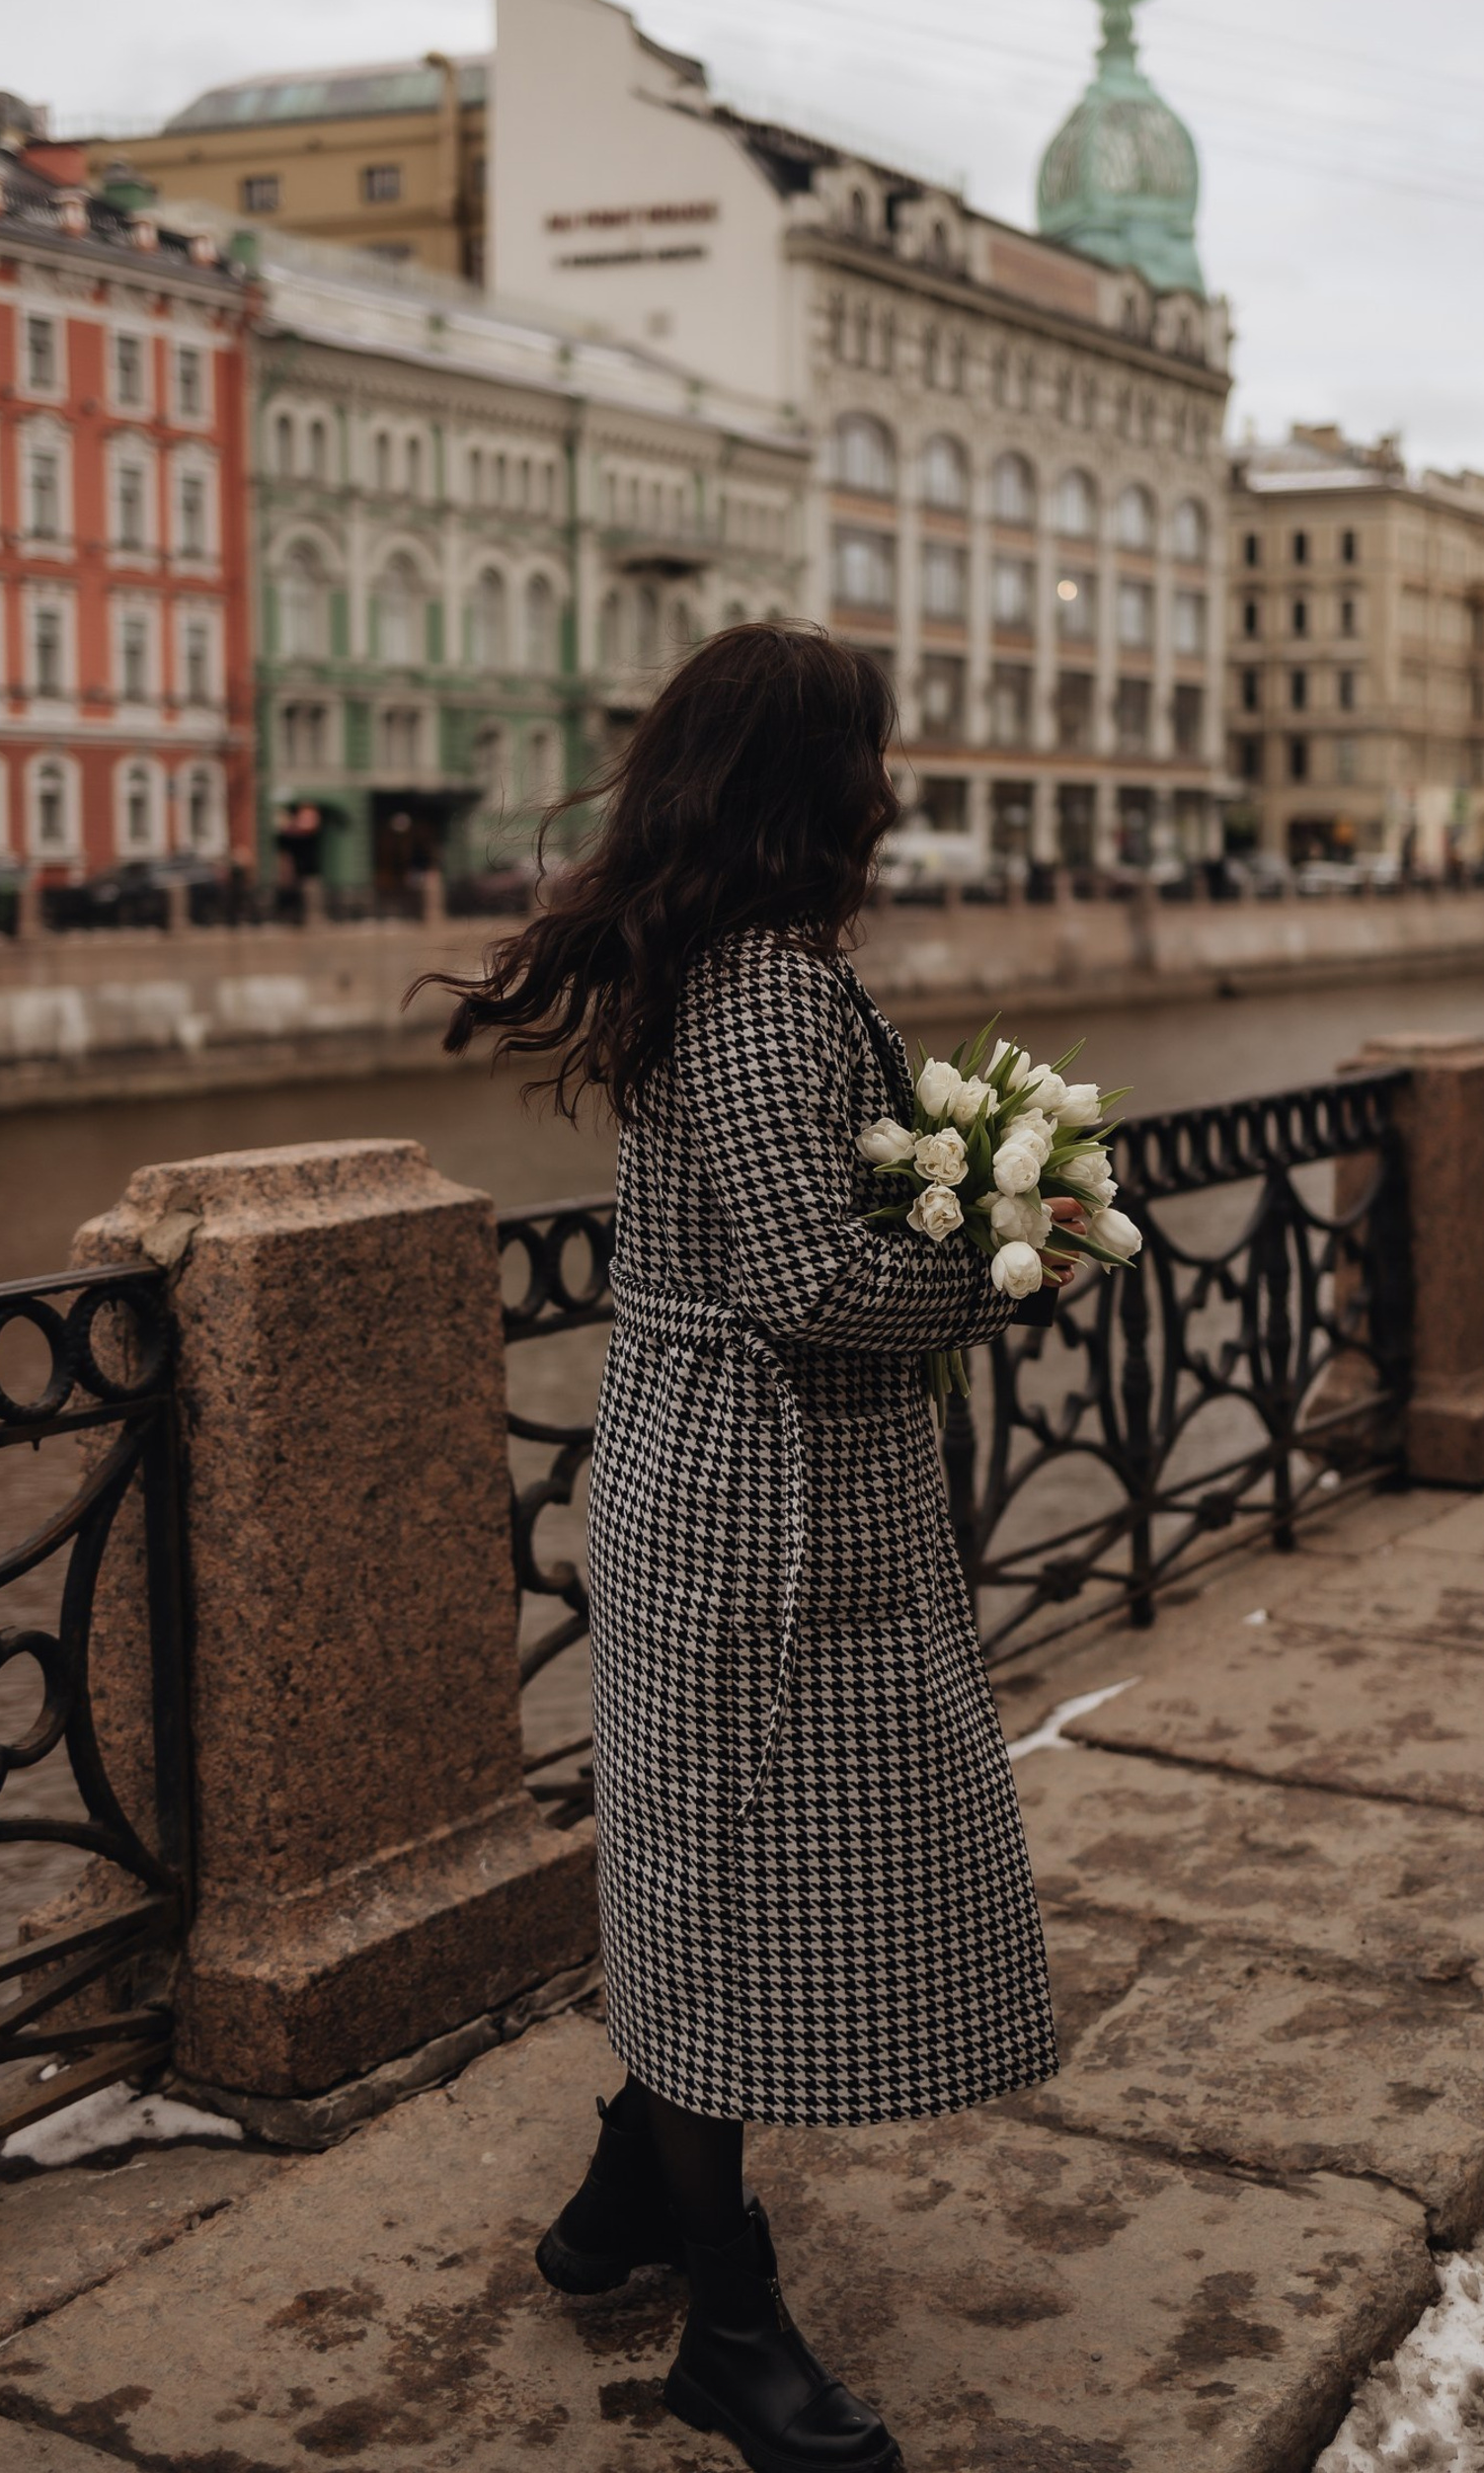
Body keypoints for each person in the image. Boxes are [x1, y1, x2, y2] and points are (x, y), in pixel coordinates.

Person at [422, 624, 1059, 2473]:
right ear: (803, 786)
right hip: (755, 1515)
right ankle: (732, 2320)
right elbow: (815, 1277)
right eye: (870, 756)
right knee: (726, 1880)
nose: (891, 789)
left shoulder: (730, 965)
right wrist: (1012, 1262)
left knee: (721, 1867)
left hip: (735, 1487)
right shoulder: (767, 994)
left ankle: (626, 2192)